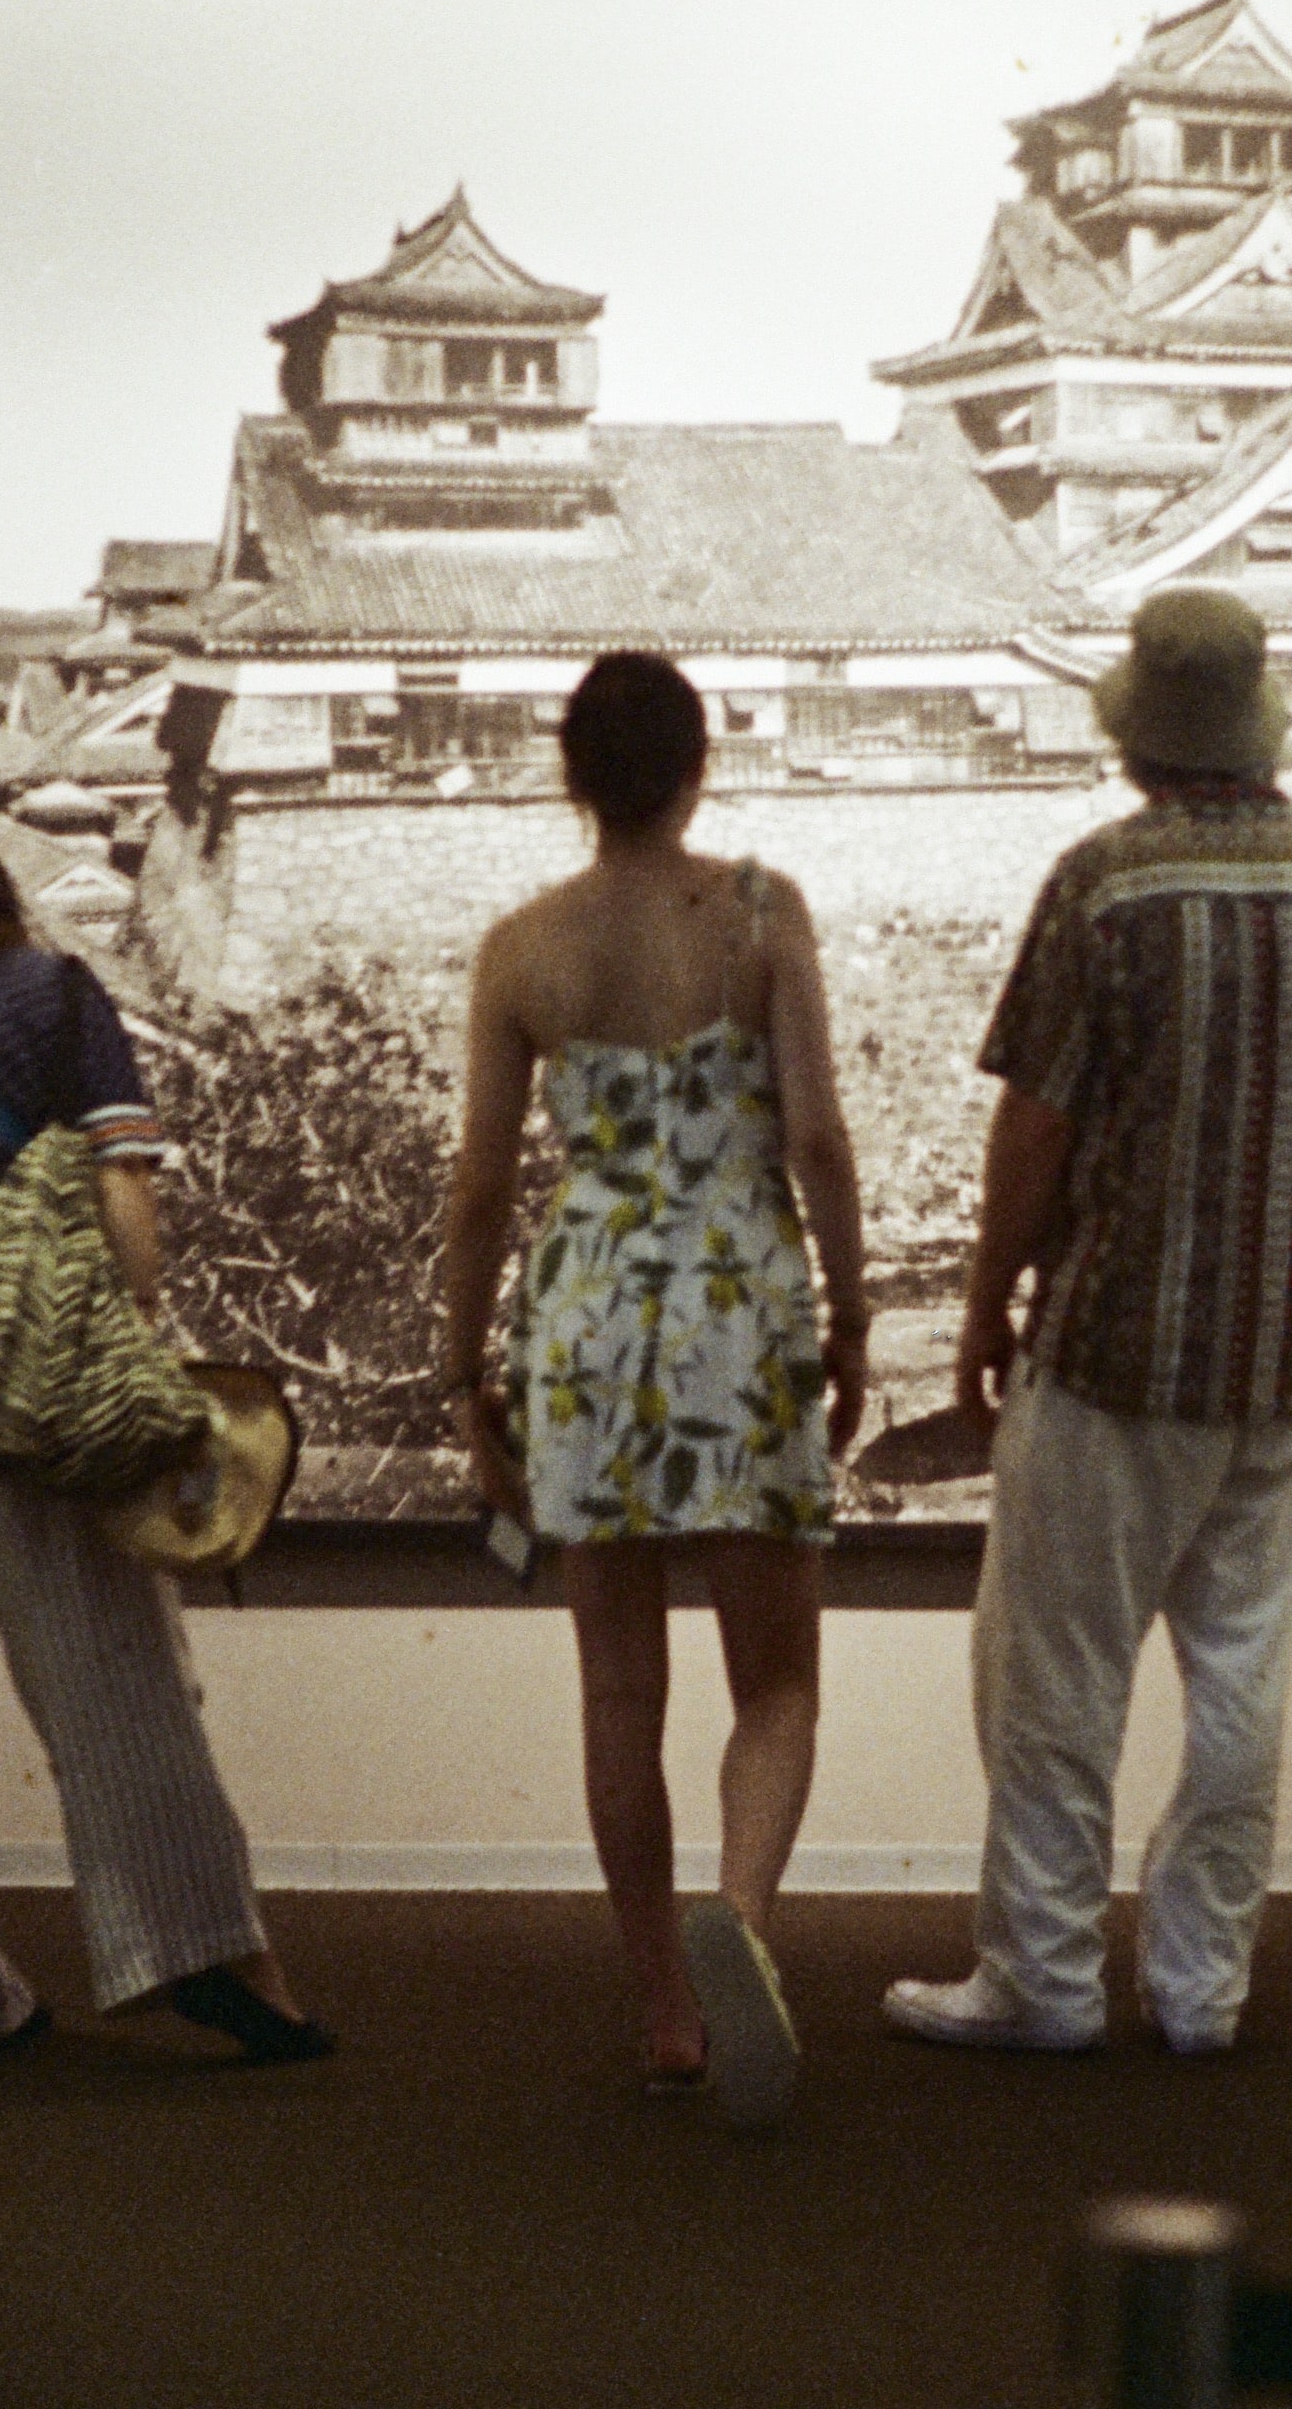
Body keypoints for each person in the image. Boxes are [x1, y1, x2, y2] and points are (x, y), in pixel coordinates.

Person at [883, 587, 1292, 2058]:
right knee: (1241, 1672)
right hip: (1278, 1363)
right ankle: (1200, 1989)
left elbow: (1035, 1123)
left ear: (1138, 730)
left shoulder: (1106, 884)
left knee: (1055, 1674)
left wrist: (985, 1300)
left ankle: (1044, 1978)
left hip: (1115, 1351)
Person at [441, 652, 867, 2124]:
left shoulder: (520, 949)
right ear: (698, 767)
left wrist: (464, 1373)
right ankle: (737, 1924)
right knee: (778, 1681)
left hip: (588, 1309)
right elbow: (816, 1137)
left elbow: (481, 1188)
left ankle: (669, 2013)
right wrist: (853, 1311)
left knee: (619, 1686)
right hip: (739, 1297)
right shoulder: (760, 911)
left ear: (574, 778)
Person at [0, 798, 329, 2064]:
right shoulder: (48, 992)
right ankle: (201, 1952)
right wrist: (139, 1338)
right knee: (110, 1668)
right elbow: (122, 1184)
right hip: (14, 1345)